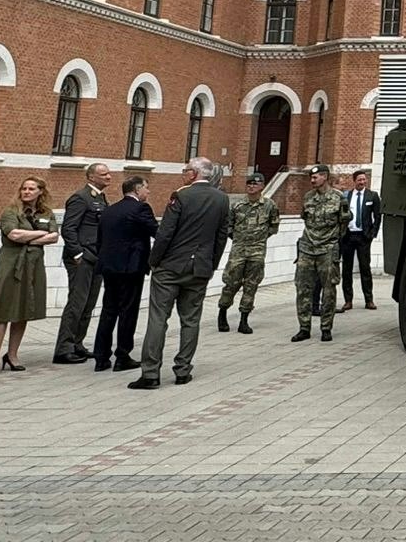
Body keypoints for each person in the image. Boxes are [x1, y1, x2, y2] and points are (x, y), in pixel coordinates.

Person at [129, 158, 230, 389]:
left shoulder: (181, 195)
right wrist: (211, 264)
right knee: (191, 320)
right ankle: (183, 370)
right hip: (200, 268)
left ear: (193, 174)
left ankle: (151, 373)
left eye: (185, 170)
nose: (183, 174)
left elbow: (165, 233)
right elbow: (221, 236)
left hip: (171, 266)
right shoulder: (222, 198)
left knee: (158, 318)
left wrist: (154, 261)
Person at [0, 177, 58, 377]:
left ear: (41, 191)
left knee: (23, 311)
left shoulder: (46, 213)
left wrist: (31, 237)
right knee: (1, 311)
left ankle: (12, 355)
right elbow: (14, 235)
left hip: (33, 266)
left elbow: (55, 236)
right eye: (24, 188)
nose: (27, 192)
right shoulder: (11, 211)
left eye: (32, 189)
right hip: (10, 264)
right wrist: (40, 235)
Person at [91, 175, 157, 371]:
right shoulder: (141, 208)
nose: (148, 191)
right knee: (128, 311)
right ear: (137, 190)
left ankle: (101, 356)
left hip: (109, 267)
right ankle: (123, 355)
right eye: (146, 187)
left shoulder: (109, 210)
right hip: (131, 267)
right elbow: (157, 231)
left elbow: (100, 240)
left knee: (109, 310)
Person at [52, 162, 112, 364]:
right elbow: (69, 229)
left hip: (97, 257)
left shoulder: (101, 198)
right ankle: (64, 348)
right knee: (77, 303)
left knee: (89, 303)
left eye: (108, 173)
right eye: (104, 174)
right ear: (91, 177)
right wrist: (78, 254)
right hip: (82, 258)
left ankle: (78, 343)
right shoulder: (80, 198)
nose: (108, 177)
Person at [218, 171, 280, 334]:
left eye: (255, 184)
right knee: (231, 283)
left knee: (251, 285)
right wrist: (240, 240)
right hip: (238, 250)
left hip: (257, 251)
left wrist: (258, 240)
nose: (251, 186)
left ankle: (244, 319)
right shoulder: (237, 205)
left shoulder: (269, 205)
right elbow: (228, 227)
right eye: (249, 184)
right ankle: (222, 311)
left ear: (262, 186)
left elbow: (273, 227)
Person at [293, 164, 349, 343]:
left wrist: (330, 240)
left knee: (329, 290)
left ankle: (326, 328)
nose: (312, 180)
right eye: (311, 177)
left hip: (327, 249)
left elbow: (344, 223)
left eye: (315, 177)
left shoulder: (339, 198)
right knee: (303, 288)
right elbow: (305, 218)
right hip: (307, 248)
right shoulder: (308, 197)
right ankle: (304, 327)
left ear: (325, 177)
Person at [339, 169, 381, 311]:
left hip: (363, 237)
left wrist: (372, 233)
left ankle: (369, 300)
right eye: (359, 180)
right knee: (346, 269)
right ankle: (348, 300)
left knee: (365, 269)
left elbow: (377, 216)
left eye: (364, 180)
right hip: (348, 237)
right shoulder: (346, 196)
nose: (362, 182)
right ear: (354, 181)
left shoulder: (372, 196)